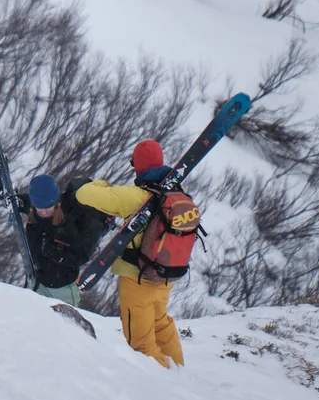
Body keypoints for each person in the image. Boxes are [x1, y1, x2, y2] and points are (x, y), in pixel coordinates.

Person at [73, 140, 198, 367]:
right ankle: (180, 371)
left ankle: (170, 387)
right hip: (165, 275)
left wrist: (103, 184)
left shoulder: (135, 197)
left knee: (140, 342)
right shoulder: (176, 192)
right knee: (161, 323)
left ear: (137, 166)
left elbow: (83, 194)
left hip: (137, 278)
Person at [22, 173, 106, 307]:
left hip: (63, 289)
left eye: (47, 208)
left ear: (57, 203)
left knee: (64, 325)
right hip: (37, 282)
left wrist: (58, 255)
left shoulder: (67, 223)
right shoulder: (34, 216)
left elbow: (81, 255)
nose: (44, 212)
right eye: (40, 209)